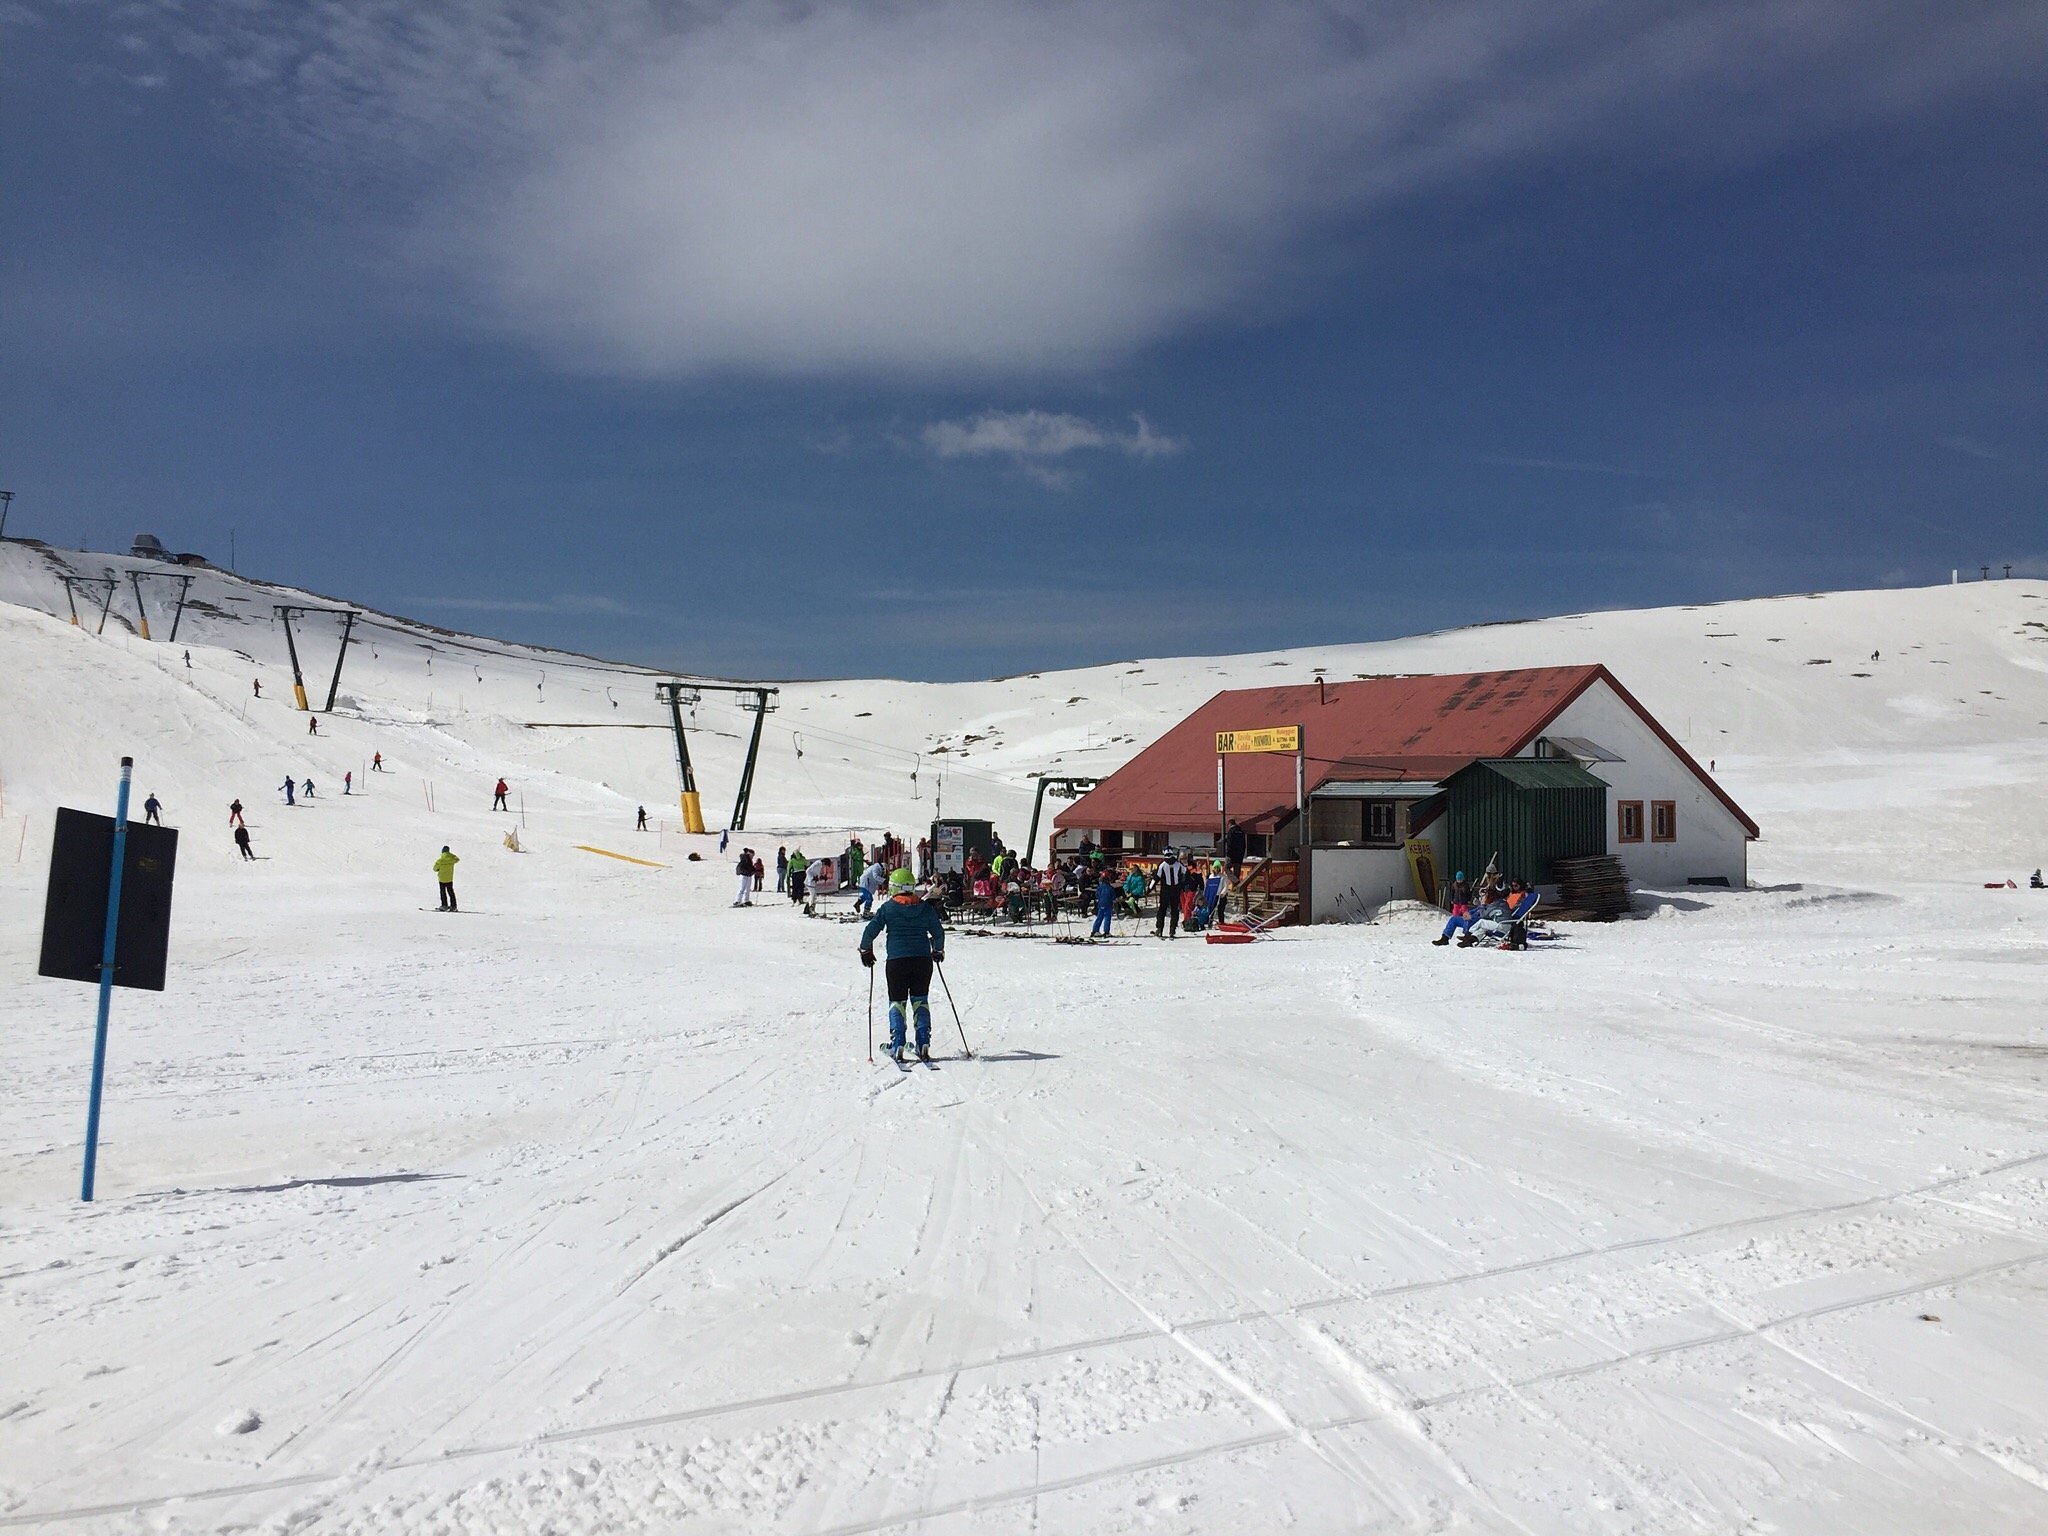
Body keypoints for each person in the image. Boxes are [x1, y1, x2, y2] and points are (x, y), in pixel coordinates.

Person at [859, 868, 947, 1063]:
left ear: (894, 888)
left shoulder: (888, 908)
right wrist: (938, 950)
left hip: (897, 962)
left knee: (897, 1001)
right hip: (922, 962)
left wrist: (866, 951)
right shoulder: (925, 908)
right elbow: (938, 932)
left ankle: (897, 1043)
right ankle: (923, 1042)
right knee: (920, 1000)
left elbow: (870, 930)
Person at [1153, 850, 1189, 938]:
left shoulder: (1162, 864)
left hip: (1165, 890)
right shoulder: (1178, 864)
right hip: (1175, 890)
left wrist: (1149, 889)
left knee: (1162, 910)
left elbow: (1156, 878)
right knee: (1174, 911)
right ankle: (1172, 931)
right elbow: (1185, 873)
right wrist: (1182, 885)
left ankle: (1160, 929)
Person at [1091, 867, 1117, 938]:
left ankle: (1095, 930)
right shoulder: (1110, 888)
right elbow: (1113, 896)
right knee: (1107, 918)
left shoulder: (1100, 887)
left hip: (1100, 904)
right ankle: (1106, 932)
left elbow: (1097, 895)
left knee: (1099, 917)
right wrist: (1114, 899)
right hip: (1108, 904)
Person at [433, 846, 460, 911]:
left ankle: (444, 905)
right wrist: (450, 854)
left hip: (442, 878)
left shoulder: (440, 860)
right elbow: (457, 859)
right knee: (451, 892)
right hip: (449, 878)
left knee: (443, 892)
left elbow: (434, 869)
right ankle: (453, 906)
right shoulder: (452, 859)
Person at [1222, 820, 1248, 888]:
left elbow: (1229, 844)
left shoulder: (1231, 832)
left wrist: (1228, 854)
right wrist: (1242, 854)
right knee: (1237, 872)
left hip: (1231, 855)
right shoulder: (1241, 832)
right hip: (1239, 856)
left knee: (1226, 868)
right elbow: (1244, 845)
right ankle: (1236, 888)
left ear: (1229, 824)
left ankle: (1236, 882)